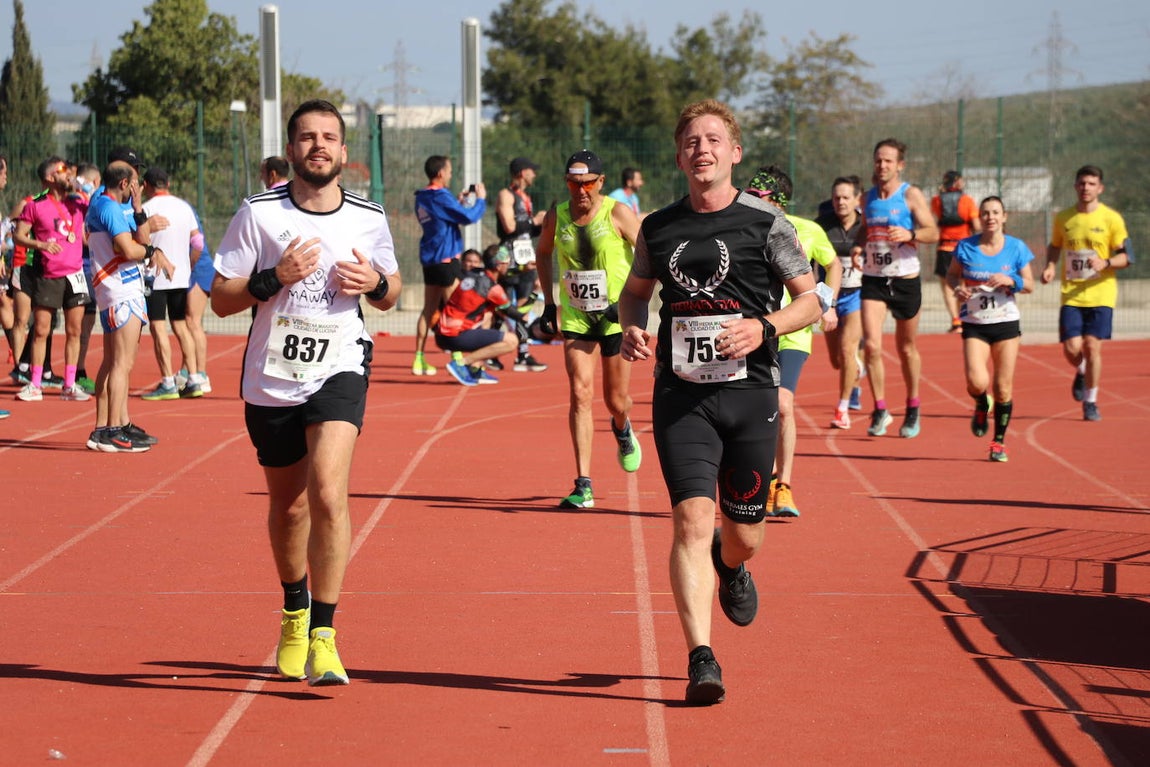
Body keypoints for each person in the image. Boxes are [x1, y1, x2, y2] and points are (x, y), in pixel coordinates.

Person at [618, 99, 822, 705]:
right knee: (689, 521)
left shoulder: (766, 223)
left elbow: (812, 301)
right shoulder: (658, 227)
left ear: (734, 153)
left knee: (746, 534)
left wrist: (766, 327)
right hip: (681, 396)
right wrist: (631, 324)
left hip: (749, 391)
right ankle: (701, 658)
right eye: (690, 141)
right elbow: (635, 293)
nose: (701, 149)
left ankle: (729, 567)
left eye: (713, 140)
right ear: (680, 156)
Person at [212, 99, 402, 687]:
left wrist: (373, 283)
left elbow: (392, 291)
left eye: (329, 137)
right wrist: (273, 279)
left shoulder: (368, 217)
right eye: (306, 137)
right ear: (291, 150)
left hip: (340, 363)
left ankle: (325, 632)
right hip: (271, 377)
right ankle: (294, 612)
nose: (318, 146)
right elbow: (220, 297)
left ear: (344, 152)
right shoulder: (258, 215)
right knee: (290, 505)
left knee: (327, 487)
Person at [536, 149, 643, 509]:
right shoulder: (558, 215)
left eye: (586, 184)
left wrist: (631, 300)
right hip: (577, 317)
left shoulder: (618, 213)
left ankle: (622, 425)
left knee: (615, 400)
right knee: (580, 393)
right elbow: (542, 252)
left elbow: (649, 254)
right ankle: (583, 483)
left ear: (601, 182)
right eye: (572, 183)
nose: (579, 191)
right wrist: (549, 304)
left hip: (615, 318)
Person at [745, 165, 841, 518]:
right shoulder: (742, 224)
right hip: (754, 330)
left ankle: (782, 486)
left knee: (783, 404)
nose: (751, 200)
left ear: (780, 201)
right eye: (749, 193)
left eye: (759, 196)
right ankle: (755, 480)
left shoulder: (809, 230)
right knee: (751, 410)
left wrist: (826, 303)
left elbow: (833, 265)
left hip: (794, 333)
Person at [85, 160, 175, 452]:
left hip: (120, 289)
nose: (137, 187)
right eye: (134, 181)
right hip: (120, 290)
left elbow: (138, 239)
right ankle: (111, 429)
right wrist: (153, 251)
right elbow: (126, 248)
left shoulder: (107, 206)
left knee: (116, 362)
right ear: (124, 182)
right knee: (122, 364)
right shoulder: (109, 207)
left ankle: (114, 425)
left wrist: (138, 211)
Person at [851, 138, 938, 438]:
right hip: (874, 279)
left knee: (906, 348)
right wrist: (859, 247)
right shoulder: (866, 198)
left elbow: (933, 232)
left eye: (888, 160)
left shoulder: (910, 195)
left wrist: (910, 232)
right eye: (878, 160)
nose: (882, 165)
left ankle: (913, 407)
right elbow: (864, 229)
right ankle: (880, 409)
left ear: (900, 165)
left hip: (905, 279)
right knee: (872, 346)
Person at [947, 196, 1035, 462]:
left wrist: (1011, 279)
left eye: (995, 212)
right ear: (980, 217)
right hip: (975, 323)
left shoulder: (1017, 248)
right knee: (977, 382)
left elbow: (1029, 284)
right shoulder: (966, 247)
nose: (990, 217)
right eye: (985, 213)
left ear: (1004, 217)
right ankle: (980, 403)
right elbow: (952, 275)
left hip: (1006, 322)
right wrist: (957, 288)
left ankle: (998, 443)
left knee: (1003, 387)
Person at [1041, 165, 1131, 422]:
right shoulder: (1064, 218)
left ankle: (1091, 401)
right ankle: (1081, 370)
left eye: (1091, 184)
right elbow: (1055, 245)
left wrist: (1107, 262)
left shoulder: (1111, 219)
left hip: (1101, 294)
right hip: (1071, 293)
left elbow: (1127, 256)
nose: (1086, 188)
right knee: (1072, 349)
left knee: (1092, 347)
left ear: (1100, 188)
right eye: (1082, 183)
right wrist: (1049, 265)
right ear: (1075, 186)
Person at [12, 156, 91, 402]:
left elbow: (98, 206)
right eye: (62, 170)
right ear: (49, 177)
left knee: (74, 329)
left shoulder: (79, 203)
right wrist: (41, 244)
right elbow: (18, 235)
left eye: (69, 170)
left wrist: (84, 188)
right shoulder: (35, 204)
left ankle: (69, 384)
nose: (68, 173)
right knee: (41, 329)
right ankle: (35, 384)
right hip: (49, 274)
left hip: (75, 274)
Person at [412, 155, 487, 377]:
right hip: (446, 259)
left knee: (428, 310)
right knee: (456, 309)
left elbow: (447, 217)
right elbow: (467, 217)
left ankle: (419, 359)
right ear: (441, 173)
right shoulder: (439, 196)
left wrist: (458, 202)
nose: (451, 174)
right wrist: (480, 200)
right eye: (450, 170)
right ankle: (458, 358)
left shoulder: (423, 197)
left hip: (430, 260)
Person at [139, 167, 205, 400]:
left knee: (157, 326)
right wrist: (189, 264)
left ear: (146, 185)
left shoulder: (145, 209)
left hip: (154, 275)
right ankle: (194, 378)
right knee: (180, 325)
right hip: (180, 275)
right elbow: (198, 241)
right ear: (168, 183)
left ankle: (168, 382)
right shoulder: (183, 206)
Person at [434, 244, 523, 386]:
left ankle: (475, 368)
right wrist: (532, 310)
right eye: (506, 263)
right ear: (498, 266)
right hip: (454, 335)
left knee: (488, 315)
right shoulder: (492, 288)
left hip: (443, 333)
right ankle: (462, 363)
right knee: (512, 341)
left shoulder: (472, 275)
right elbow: (511, 311)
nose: (508, 266)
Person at [817, 175, 866, 428]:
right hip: (829, 297)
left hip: (858, 295)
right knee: (837, 360)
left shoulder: (865, 227)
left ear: (857, 199)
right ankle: (856, 367)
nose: (841, 202)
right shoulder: (822, 226)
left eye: (846, 197)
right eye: (836, 197)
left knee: (847, 350)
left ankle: (842, 408)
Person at [496, 156, 548, 372]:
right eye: (531, 170)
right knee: (502, 308)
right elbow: (509, 226)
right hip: (509, 258)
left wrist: (540, 225)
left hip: (526, 258)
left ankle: (523, 355)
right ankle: (491, 351)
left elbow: (526, 231)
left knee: (524, 307)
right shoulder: (505, 195)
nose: (534, 174)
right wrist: (533, 221)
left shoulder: (526, 197)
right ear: (521, 172)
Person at [931, 170, 981, 333]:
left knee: (947, 285)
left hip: (945, 246)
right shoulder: (967, 201)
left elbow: (936, 220)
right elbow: (976, 224)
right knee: (963, 283)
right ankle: (967, 317)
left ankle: (955, 320)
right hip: (964, 247)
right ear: (958, 182)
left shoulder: (937, 200)